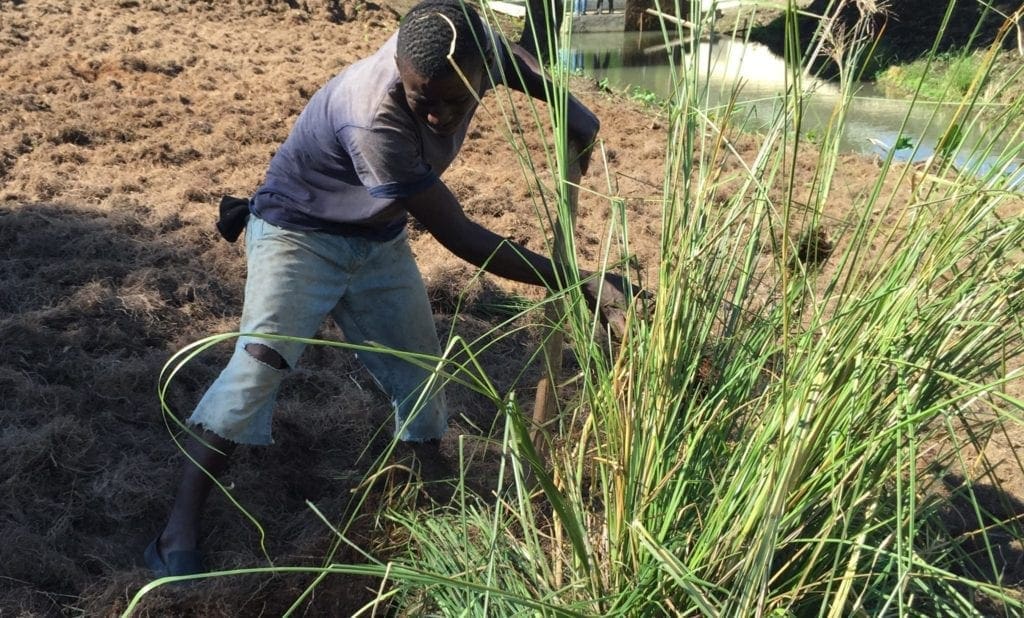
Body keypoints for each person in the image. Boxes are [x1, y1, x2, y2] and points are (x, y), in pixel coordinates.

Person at [145, 0, 628, 578]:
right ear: (401, 70)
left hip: (377, 235)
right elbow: (456, 232)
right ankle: (176, 528)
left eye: (458, 100)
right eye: (426, 100)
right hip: (300, 233)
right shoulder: (370, 116)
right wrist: (579, 282)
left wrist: (571, 109)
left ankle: (433, 488)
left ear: (478, 72)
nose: (443, 118)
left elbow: (514, 60)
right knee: (258, 369)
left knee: (418, 368)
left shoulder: (469, 47)